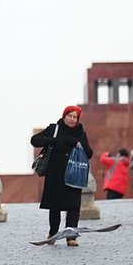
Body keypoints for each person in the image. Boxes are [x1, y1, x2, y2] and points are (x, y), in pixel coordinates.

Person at [30, 105, 93, 246]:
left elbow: (89, 154)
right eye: (69, 116)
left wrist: (79, 144)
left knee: (73, 207)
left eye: (75, 117)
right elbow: (35, 140)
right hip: (55, 175)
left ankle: (71, 237)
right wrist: (52, 140)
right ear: (64, 116)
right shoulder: (54, 129)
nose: (72, 119)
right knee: (55, 206)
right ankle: (53, 233)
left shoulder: (80, 133)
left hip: (73, 174)